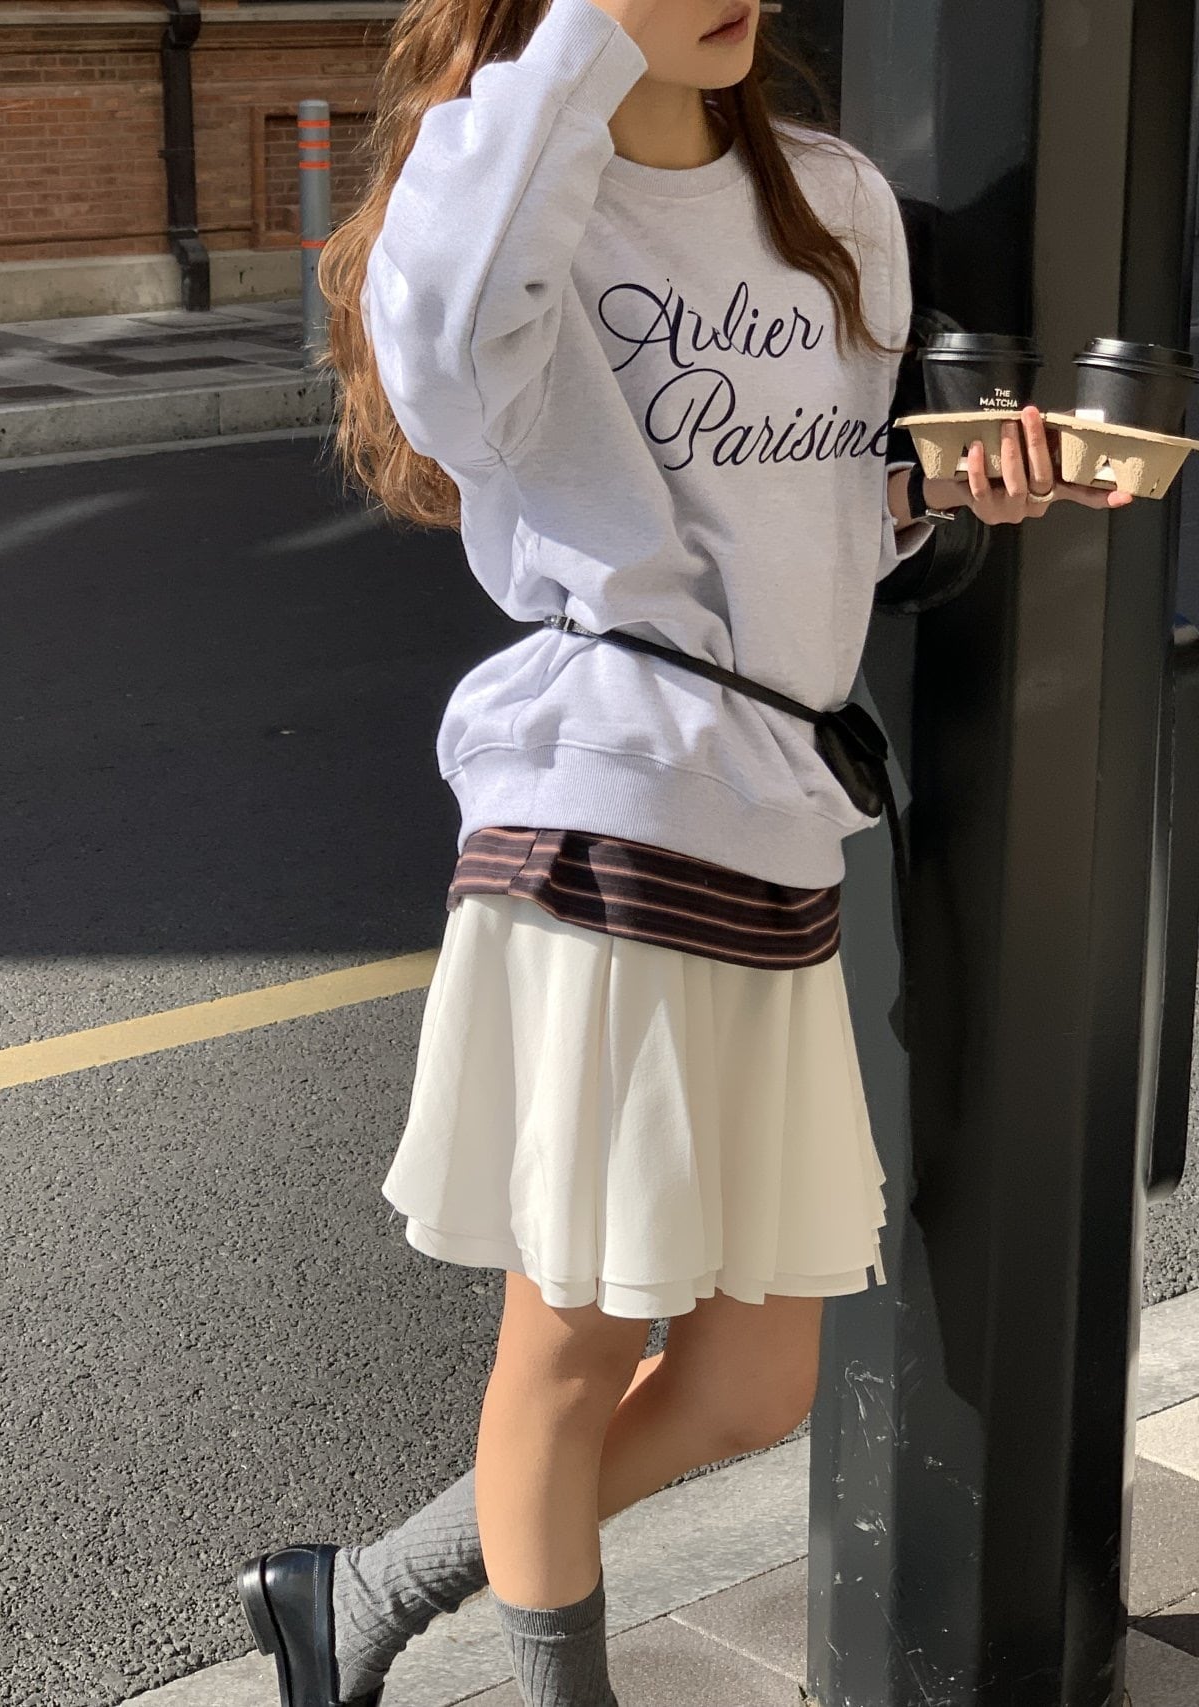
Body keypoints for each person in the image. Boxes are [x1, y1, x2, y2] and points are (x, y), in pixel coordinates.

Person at [235, 1, 1134, 1704]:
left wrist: (945, 493)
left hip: (777, 823)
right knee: (569, 1345)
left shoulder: (832, 200)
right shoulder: (501, 182)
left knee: (751, 1379)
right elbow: (444, 372)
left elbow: (811, 521)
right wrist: (579, 53)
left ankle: (361, 1593)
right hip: (605, 815)